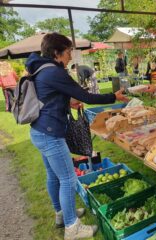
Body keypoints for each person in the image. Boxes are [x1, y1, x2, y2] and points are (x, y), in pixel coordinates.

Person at [25, 32, 128, 240]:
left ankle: (61, 215)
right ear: (57, 53)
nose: (71, 56)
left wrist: (67, 102)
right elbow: (86, 96)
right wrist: (113, 96)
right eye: (68, 52)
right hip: (50, 134)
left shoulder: (40, 68)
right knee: (68, 178)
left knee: (53, 176)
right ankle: (72, 228)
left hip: (39, 131)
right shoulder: (55, 72)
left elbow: (50, 96)